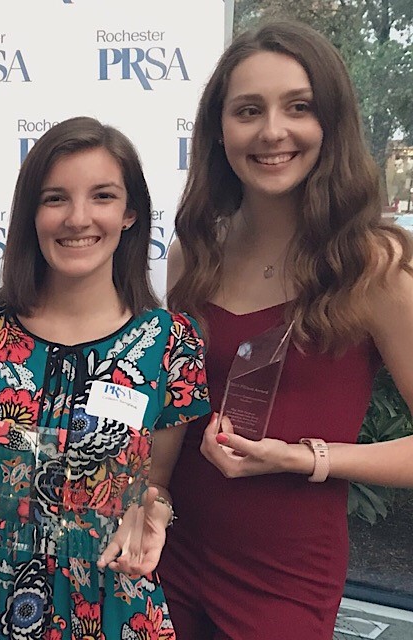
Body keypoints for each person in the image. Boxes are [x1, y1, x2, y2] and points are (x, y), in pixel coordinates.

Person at [160, 21, 413, 640]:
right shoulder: (193, 255)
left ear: (330, 122)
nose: (273, 131)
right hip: (169, 551)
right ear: (219, 132)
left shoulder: (374, 267)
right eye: (249, 110)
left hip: (287, 574)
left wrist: (306, 458)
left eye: (298, 107)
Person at [0, 116, 211, 640]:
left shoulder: (169, 344)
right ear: (31, 215)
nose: (78, 218)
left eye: (102, 196)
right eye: (55, 198)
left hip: (111, 605)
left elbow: (159, 487)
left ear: (130, 214)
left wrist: (157, 517)